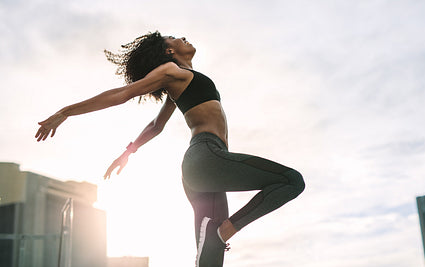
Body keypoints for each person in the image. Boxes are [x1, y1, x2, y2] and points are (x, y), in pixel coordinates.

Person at [35, 31, 305, 267]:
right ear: (169, 51)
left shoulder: (182, 81)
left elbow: (156, 126)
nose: (181, 36)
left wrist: (129, 151)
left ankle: (219, 235)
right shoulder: (171, 72)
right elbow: (123, 93)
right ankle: (226, 230)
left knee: (210, 258)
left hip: (203, 169)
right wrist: (66, 112)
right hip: (207, 157)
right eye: (173, 37)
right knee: (291, 180)